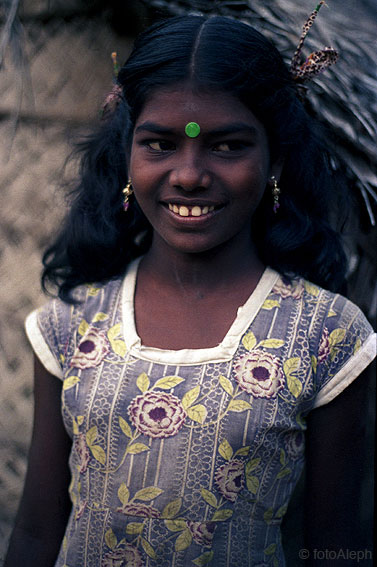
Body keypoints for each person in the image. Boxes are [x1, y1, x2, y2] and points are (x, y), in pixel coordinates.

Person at [5, 12, 376, 567]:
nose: (189, 174)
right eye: (159, 145)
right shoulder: (70, 326)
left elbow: (336, 545)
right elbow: (36, 534)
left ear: (274, 158)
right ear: (127, 153)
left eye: (226, 146)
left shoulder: (327, 335)